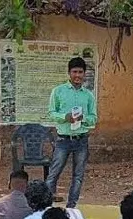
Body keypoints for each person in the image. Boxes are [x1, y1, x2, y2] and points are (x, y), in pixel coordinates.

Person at [46, 57, 98, 207]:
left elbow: (94, 118)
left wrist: (84, 118)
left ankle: (71, 207)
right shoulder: (58, 91)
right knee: (53, 174)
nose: (77, 75)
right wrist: (65, 117)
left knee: (78, 176)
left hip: (81, 140)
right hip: (63, 140)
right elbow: (51, 113)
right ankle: (47, 206)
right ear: (69, 73)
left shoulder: (88, 95)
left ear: (84, 74)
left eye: (80, 72)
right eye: (74, 72)